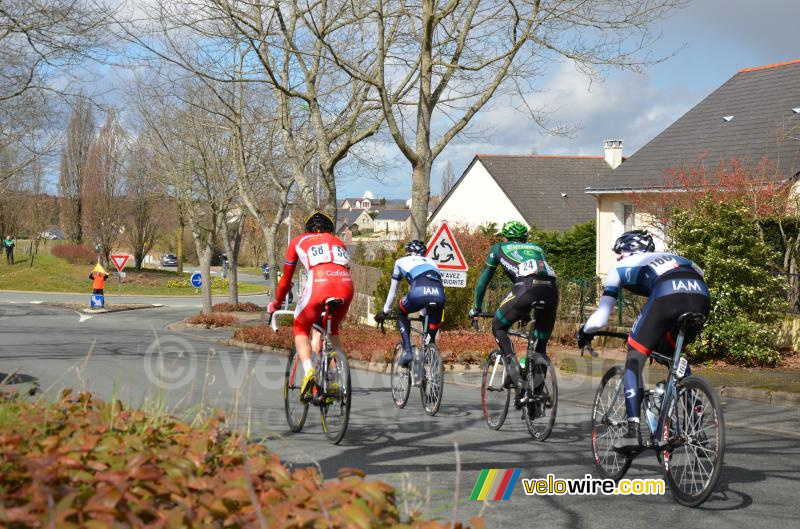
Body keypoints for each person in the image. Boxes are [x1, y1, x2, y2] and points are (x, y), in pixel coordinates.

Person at [578, 229, 710, 452]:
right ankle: (694, 417)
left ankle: (632, 432)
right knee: (671, 355)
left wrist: (584, 331)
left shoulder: (620, 268)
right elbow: (698, 276)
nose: (618, 258)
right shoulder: (677, 258)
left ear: (627, 251)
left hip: (667, 295)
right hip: (701, 297)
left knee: (634, 359)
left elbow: (600, 318)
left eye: (619, 253)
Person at [469, 221, 559, 407]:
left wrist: (476, 307)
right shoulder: (538, 248)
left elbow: (482, 283)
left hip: (525, 289)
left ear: (505, 236)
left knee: (499, 326)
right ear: (525, 238)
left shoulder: (499, 248)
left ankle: (513, 367)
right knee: (539, 345)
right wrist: (525, 312)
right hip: (551, 291)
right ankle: (537, 390)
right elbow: (540, 276)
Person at [267, 211, 354, 397]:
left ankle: (309, 371)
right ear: (330, 230)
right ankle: (334, 376)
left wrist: (276, 303)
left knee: (300, 326)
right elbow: (345, 268)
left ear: (307, 229)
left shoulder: (298, 240)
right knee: (332, 330)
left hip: (319, 283)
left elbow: (286, 280)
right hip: (345, 285)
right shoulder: (339, 242)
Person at [374, 240, 445, 366]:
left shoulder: (400, 262)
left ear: (408, 252)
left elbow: (393, 292)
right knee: (430, 335)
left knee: (401, 311)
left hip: (418, 293)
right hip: (439, 296)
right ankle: (430, 354)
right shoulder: (433, 263)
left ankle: (407, 350)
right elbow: (433, 287)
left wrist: (385, 311)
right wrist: (423, 312)